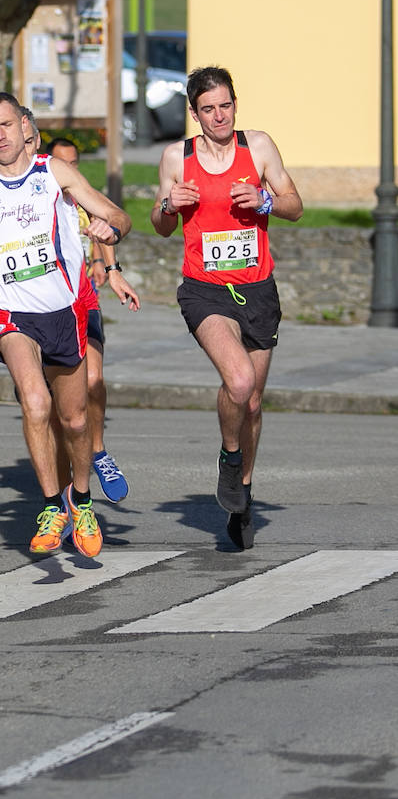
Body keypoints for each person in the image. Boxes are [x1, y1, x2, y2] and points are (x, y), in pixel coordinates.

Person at [0, 92, 130, 559]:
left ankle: (81, 500)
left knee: (76, 419)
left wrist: (111, 230)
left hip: (63, 311)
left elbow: (116, 214)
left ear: (24, 125)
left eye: (6, 125)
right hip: (10, 315)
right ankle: (51, 506)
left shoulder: (54, 173)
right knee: (35, 401)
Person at [152, 66, 303, 550]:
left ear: (235, 105)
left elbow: (295, 205)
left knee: (253, 403)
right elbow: (160, 226)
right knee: (238, 382)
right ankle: (229, 457)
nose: (219, 116)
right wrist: (168, 206)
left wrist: (264, 200)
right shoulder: (177, 157)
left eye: (225, 106)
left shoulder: (257, 147)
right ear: (194, 114)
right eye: (208, 109)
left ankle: (243, 493)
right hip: (206, 291)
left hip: (258, 290)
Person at [46, 137, 139, 501]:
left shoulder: (81, 194)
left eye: (75, 163)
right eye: (63, 163)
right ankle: (64, 494)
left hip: (84, 300)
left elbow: (105, 225)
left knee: (95, 378)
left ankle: (99, 451)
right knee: (57, 408)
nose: (70, 169)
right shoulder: (36, 198)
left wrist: (110, 268)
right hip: (45, 310)